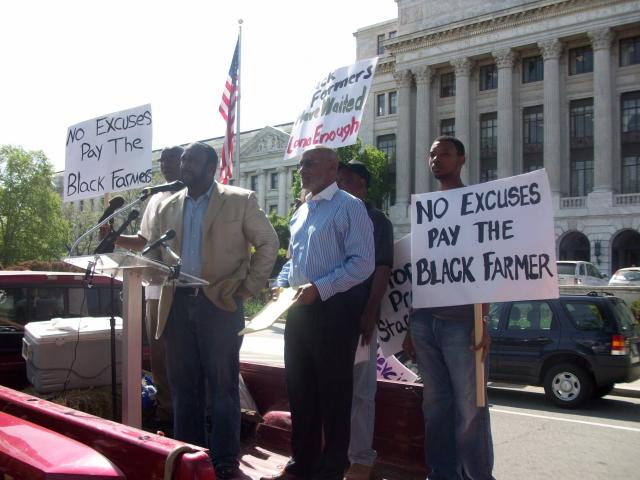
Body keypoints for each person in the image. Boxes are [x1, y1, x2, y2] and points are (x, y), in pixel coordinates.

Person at [148, 142, 279, 479]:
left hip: (220, 303)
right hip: (177, 303)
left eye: (191, 160)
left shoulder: (240, 200)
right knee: (183, 387)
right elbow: (155, 254)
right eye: (183, 160)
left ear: (211, 168)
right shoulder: (167, 206)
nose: (184, 165)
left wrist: (248, 287)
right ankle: (191, 459)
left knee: (222, 388)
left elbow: (269, 242)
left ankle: (224, 461)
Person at [262, 146, 375, 480]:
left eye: (309, 163)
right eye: (300, 164)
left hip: (334, 312)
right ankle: (302, 464)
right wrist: (281, 284)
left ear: (332, 168)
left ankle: (331, 468)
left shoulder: (350, 207)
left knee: (334, 396)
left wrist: (320, 288)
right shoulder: (301, 212)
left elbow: (363, 263)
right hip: (298, 311)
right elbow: (293, 261)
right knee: (300, 391)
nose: (301, 169)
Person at [403, 136, 494, 480]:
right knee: (435, 406)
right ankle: (442, 473)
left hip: (462, 324)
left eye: (444, 154)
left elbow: (488, 263)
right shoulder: (425, 209)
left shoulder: (476, 204)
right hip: (425, 322)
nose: (436, 159)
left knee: (471, 408)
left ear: (461, 159)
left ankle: (477, 475)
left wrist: (482, 320)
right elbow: (420, 267)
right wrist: (410, 324)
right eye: (432, 154)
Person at [106, 145, 184, 428]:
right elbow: (142, 241)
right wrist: (114, 237)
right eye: (163, 161)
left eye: (173, 159)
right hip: (154, 288)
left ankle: (192, 416)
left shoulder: (196, 196)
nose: (166, 165)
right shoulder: (153, 199)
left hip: (186, 288)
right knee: (160, 358)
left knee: (184, 357)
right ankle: (166, 414)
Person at [336, 161, 393, 480]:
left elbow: (383, 267)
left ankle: (360, 458)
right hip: (330, 317)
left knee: (361, 390)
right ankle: (334, 452)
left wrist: (371, 310)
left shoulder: (377, 220)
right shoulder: (332, 215)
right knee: (332, 388)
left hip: (360, 318)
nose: (338, 186)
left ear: (361, 184)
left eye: (344, 180)